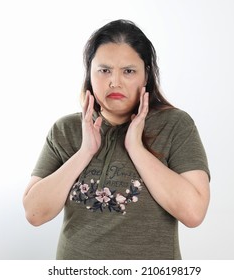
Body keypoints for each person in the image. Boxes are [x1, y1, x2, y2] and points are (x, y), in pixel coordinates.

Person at [23, 19, 210, 260]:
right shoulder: (66, 130)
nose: (115, 81)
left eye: (128, 71)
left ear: (146, 76)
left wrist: (136, 148)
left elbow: (193, 213)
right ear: (89, 74)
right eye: (104, 70)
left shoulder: (175, 125)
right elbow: (34, 213)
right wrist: (84, 153)